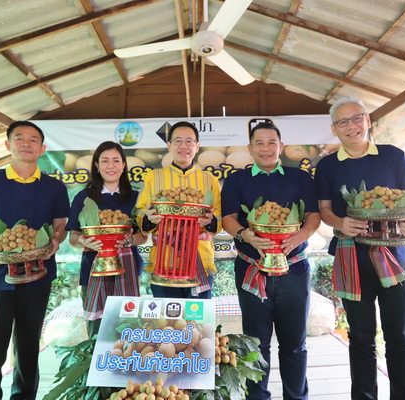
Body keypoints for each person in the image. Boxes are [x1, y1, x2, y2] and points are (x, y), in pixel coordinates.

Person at [314, 96, 405, 400]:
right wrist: (340, 223)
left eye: (357, 118)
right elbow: (324, 210)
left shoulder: (393, 156)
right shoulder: (327, 166)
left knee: (400, 337)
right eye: (343, 121)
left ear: (368, 120)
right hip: (352, 256)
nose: (351, 126)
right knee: (361, 337)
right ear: (334, 129)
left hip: (396, 257)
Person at [0, 120, 70, 400]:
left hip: (37, 277)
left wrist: (55, 240)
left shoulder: (54, 187)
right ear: (8, 145)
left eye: (33, 139)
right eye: (20, 138)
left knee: (28, 349)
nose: (26, 143)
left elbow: (60, 227)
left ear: (42, 149)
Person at [221, 122, 320, 400]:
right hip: (251, 268)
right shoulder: (237, 179)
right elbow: (228, 218)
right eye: (259, 143)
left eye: (272, 142)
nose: (266, 148)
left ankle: (296, 397)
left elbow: (313, 215)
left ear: (281, 146)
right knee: (255, 344)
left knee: (294, 344)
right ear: (250, 148)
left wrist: (300, 236)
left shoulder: (300, 178)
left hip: (294, 269)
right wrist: (245, 235)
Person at [67, 141, 147, 338]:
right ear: (96, 165)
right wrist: (83, 241)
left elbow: (143, 237)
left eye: (116, 160)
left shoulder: (135, 197)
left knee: (127, 330)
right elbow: (73, 238)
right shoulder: (83, 197)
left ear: (124, 165)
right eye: (104, 161)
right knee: (97, 333)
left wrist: (129, 240)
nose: (111, 166)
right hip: (92, 272)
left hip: (128, 271)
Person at [136, 121, 221, 299]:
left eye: (189, 141)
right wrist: (148, 219)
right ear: (169, 145)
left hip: (200, 260)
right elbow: (140, 212)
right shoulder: (153, 177)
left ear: (197, 146)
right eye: (178, 141)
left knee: (197, 315)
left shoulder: (209, 179)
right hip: (164, 260)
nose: (184, 146)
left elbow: (219, 216)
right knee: (168, 316)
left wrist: (211, 221)